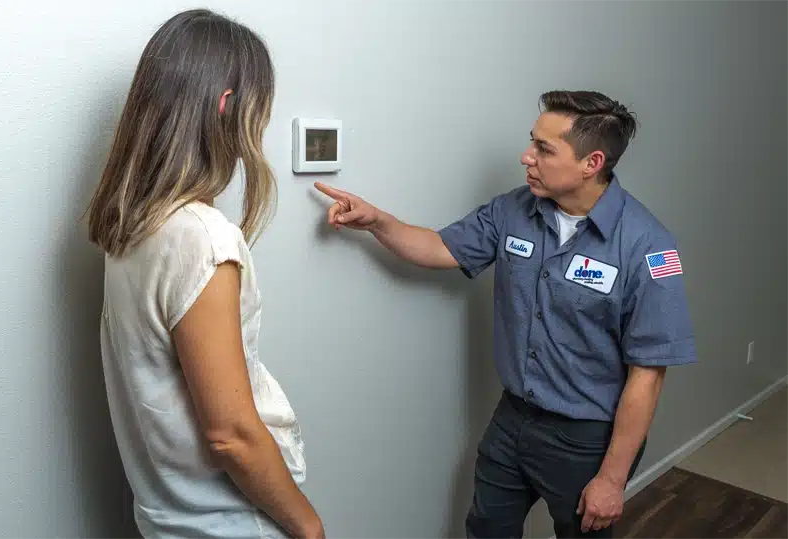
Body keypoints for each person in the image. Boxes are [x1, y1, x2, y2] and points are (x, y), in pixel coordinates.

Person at [314, 90, 696, 538]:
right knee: (487, 528)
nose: (527, 157)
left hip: (586, 438)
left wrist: (612, 479)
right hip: (512, 420)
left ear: (591, 163)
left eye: (544, 149)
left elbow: (647, 374)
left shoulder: (647, 246)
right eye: (532, 142)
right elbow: (439, 247)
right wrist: (377, 220)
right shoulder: (514, 210)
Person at [85, 9, 324, 539]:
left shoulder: (132, 226)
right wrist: (310, 529)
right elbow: (231, 434)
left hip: (164, 519)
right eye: (259, 107)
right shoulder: (201, 238)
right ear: (226, 107)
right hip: (232, 524)